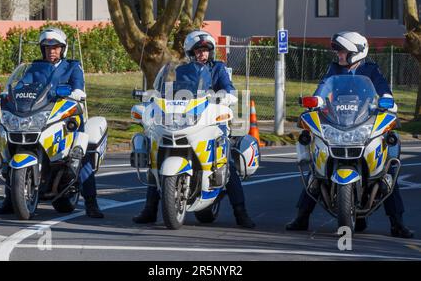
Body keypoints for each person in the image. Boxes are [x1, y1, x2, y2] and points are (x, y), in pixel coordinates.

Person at [285, 31, 414, 238]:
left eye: (343, 51)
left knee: (386, 171)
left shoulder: (371, 70)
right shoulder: (333, 69)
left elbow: (383, 90)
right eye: (338, 50)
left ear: (357, 52)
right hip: (337, 124)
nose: (339, 54)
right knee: (318, 171)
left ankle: (397, 223)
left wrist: (388, 101)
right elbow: (322, 90)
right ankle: (302, 217)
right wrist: (316, 100)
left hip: (364, 124)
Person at [132, 30, 255, 228]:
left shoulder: (218, 69)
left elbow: (228, 88)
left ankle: (241, 213)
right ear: (190, 52)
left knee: (227, 163)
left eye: (206, 50)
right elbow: (168, 91)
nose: (202, 54)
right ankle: (149, 209)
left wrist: (226, 95)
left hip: (212, 120)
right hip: (185, 119)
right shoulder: (182, 70)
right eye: (198, 50)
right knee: (156, 158)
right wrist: (155, 97)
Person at [0, 27, 104, 219]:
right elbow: (21, 85)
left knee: (80, 154)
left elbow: (78, 86)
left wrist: (76, 92)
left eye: (55, 47)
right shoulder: (35, 68)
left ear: (63, 49)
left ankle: (91, 202)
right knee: (12, 150)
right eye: (47, 47)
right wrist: (8, 95)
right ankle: (10, 199)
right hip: (40, 115)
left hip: (68, 117)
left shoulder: (72, 66)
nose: (51, 51)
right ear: (42, 49)